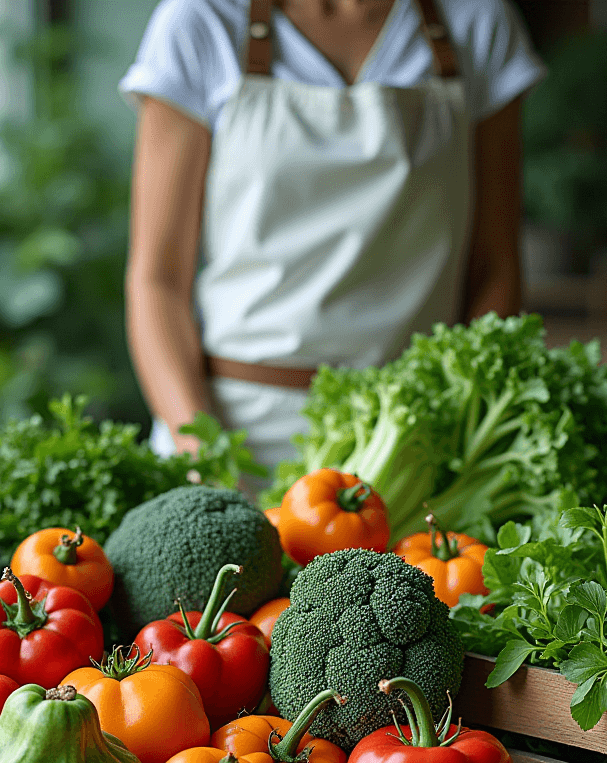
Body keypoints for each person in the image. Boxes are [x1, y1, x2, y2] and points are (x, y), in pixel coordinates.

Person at [120, 0, 545, 470]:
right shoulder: (203, 21)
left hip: (412, 437)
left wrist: (454, 430)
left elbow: (496, 267)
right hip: (235, 431)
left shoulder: (476, 21)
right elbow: (157, 279)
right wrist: (200, 451)